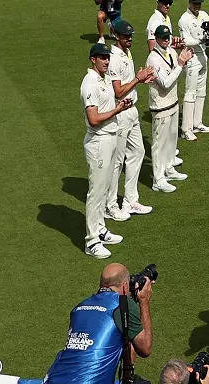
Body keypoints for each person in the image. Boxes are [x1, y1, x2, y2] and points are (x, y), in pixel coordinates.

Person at [44, 263, 153, 384]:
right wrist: (144, 301)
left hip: (53, 378)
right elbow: (145, 348)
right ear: (124, 286)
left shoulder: (79, 308)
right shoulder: (122, 304)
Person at [81, 43, 131, 259]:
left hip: (110, 138)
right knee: (96, 192)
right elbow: (93, 120)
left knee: (105, 188)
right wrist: (117, 110)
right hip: (99, 142)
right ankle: (91, 242)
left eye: (107, 57)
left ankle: (100, 229)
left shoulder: (103, 79)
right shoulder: (90, 83)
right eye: (102, 57)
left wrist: (121, 105)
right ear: (93, 59)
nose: (106, 60)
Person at [105, 19, 156, 221]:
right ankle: (110, 206)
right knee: (117, 161)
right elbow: (118, 91)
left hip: (132, 110)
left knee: (138, 151)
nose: (130, 39)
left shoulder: (126, 53)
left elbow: (128, 83)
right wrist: (138, 79)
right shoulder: (114, 59)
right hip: (121, 113)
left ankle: (130, 200)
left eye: (131, 36)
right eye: (126, 36)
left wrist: (140, 80)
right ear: (116, 36)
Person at [146, 25, 194, 192]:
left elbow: (179, 70)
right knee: (160, 143)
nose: (166, 40)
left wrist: (185, 60)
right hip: (160, 105)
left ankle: (169, 169)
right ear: (156, 39)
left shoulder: (171, 52)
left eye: (168, 37)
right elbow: (165, 83)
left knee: (171, 139)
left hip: (173, 102)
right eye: (162, 37)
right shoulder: (153, 59)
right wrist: (181, 64)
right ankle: (158, 179)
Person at [178, 0, 209, 141]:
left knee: (201, 91)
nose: (197, 6)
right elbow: (185, 40)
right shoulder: (183, 19)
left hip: (203, 56)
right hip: (191, 57)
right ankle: (186, 129)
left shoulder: (204, 15)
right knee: (190, 92)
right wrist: (202, 39)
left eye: (199, 4)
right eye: (194, 4)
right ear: (189, 3)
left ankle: (197, 123)